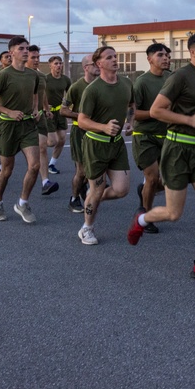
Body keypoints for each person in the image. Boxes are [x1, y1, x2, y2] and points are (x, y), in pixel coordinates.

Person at [127, 32, 195, 283]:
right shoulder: (180, 77)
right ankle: (142, 218)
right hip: (177, 149)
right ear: (192, 53)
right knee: (173, 213)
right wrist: (188, 120)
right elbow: (157, 110)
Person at [76, 46, 133, 245]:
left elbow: (132, 105)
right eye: (109, 58)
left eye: (116, 56)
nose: (115, 60)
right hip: (96, 145)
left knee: (121, 189)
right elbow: (82, 121)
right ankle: (87, 228)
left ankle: (91, 198)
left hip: (117, 144)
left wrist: (131, 122)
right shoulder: (92, 90)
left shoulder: (126, 83)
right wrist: (103, 127)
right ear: (98, 64)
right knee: (98, 190)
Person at [0, 36, 42, 223]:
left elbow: (34, 95)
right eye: (21, 48)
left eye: (27, 48)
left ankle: (22, 203)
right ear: (12, 52)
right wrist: (8, 111)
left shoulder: (34, 75)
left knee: (35, 165)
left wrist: (35, 109)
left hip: (27, 125)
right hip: (7, 126)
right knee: (7, 170)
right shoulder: (3, 75)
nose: (26, 51)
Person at [131, 43, 171, 228]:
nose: (165, 58)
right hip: (145, 135)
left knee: (171, 180)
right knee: (153, 177)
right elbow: (134, 113)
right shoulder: (142, 82)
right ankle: (146, 218)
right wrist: (156, 113)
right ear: (149, 59)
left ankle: (145, 190)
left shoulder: (171, 79)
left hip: (167, 135)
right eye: (160, 55)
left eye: (167, 55)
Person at [62, 55, 99, 213]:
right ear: (86, 67)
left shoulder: (103, 85)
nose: (98, 66)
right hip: (80, 132)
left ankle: (87, 188)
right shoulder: (77, 87)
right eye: (94, 64)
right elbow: (64, 110)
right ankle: (74, 198)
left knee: (97, 167)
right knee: (82, 170)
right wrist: (83, 118)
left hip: (98, 131)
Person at [24, 46, 60, 197]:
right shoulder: (19, 75)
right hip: (21, 119)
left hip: (39, 117)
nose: (37, 60)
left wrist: (46, 109)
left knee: (45, 146)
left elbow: (42, 93)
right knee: (8, 162)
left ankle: (45, 182)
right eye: (33, 57)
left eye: (38, 57)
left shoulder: (41, 76)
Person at [45, 54, 72, 177]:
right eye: (56, 63)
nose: (59, 65)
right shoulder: (45, 79)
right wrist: (43, 106)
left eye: (60, 63)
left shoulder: (65, 79)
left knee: (61, 139)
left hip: (60, 112)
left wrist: (69, 107)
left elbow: (72, 94)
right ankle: (34, 144)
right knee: (51, 142)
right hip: (48, 112)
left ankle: (51, 164)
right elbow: (38, 94)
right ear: (50, 65)